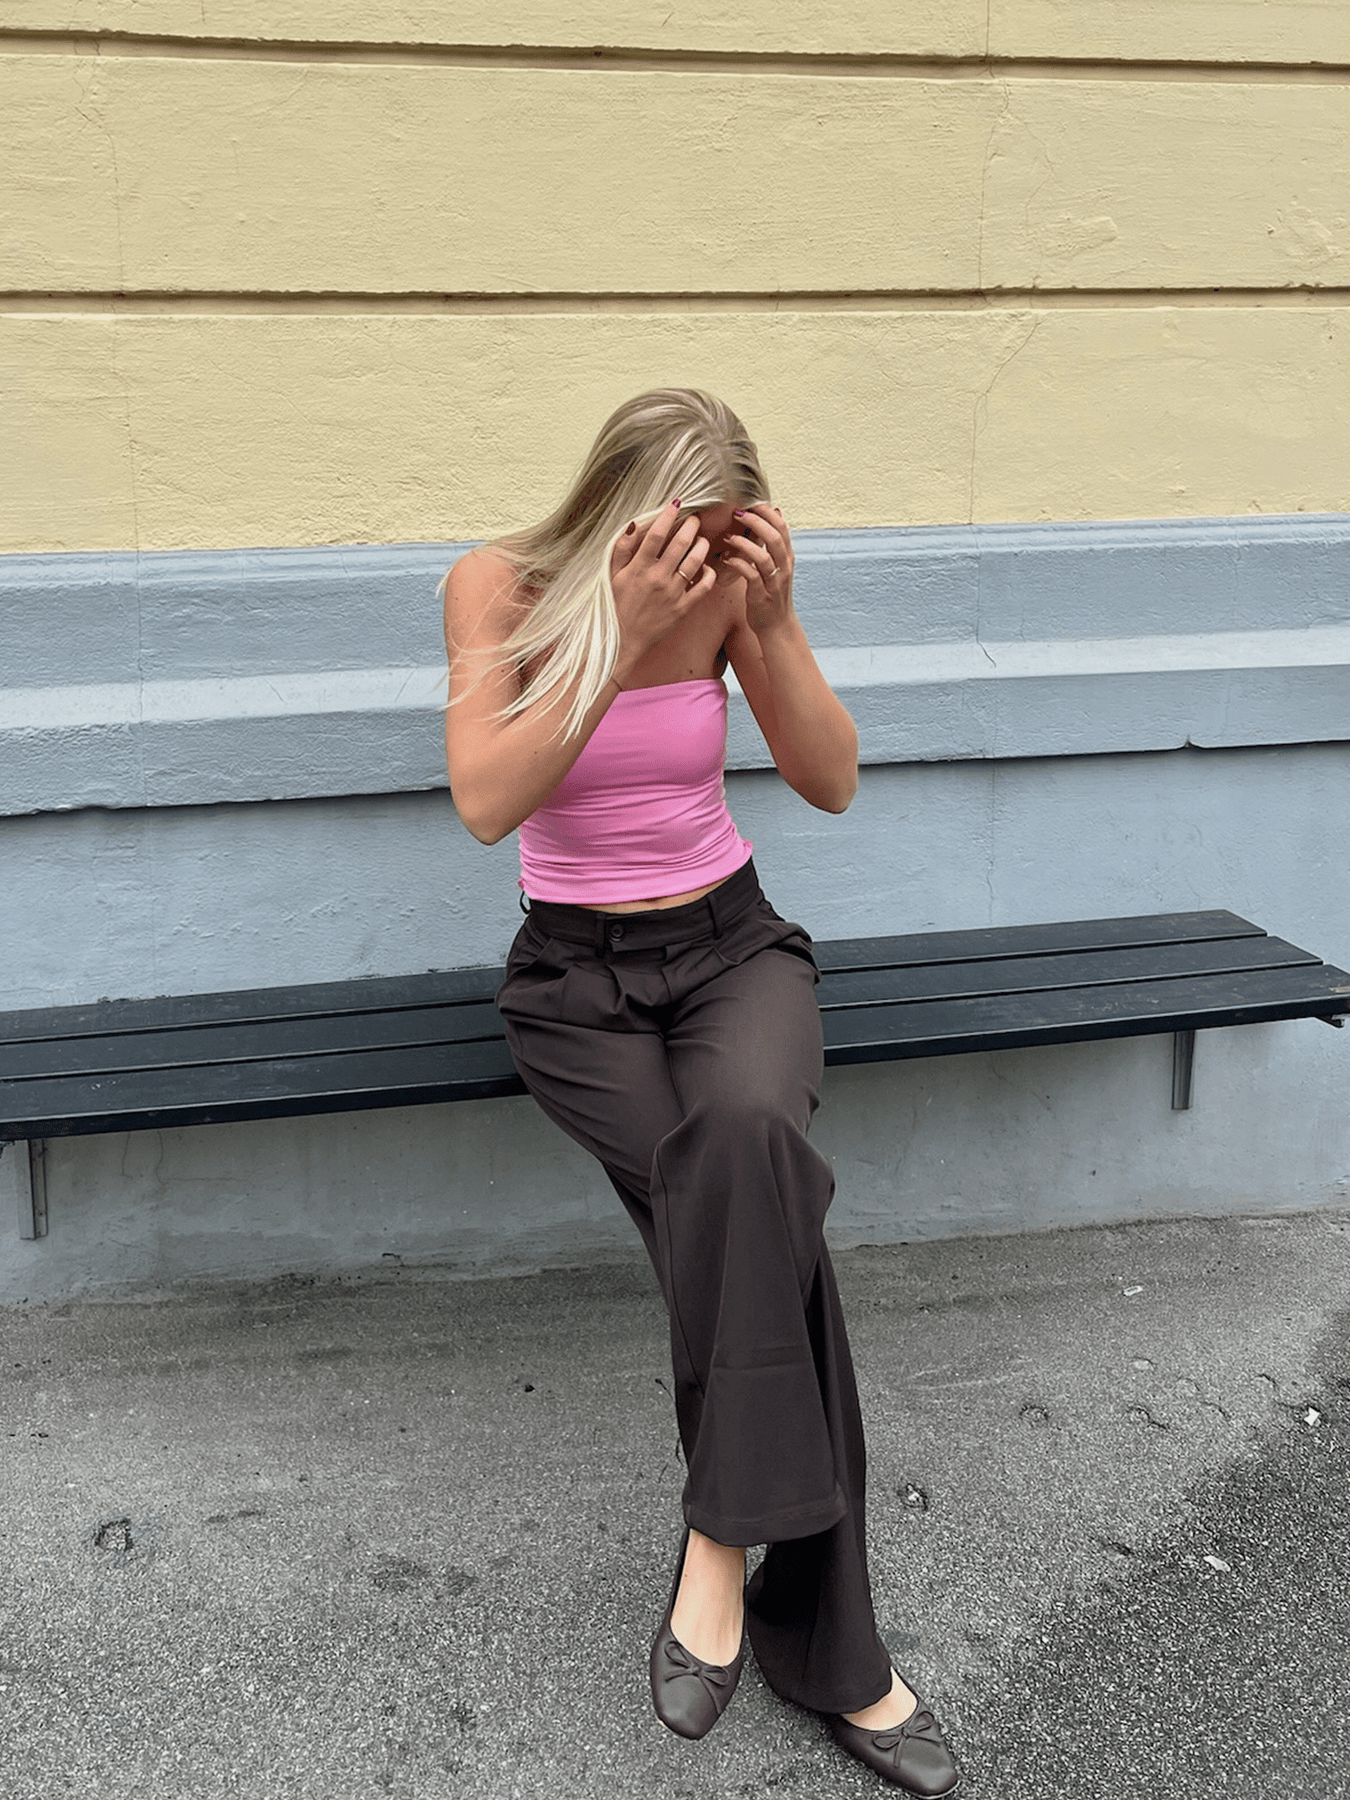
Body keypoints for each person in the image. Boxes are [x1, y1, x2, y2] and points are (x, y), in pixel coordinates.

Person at [441, 389, 959, 1796]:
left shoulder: (733, 591)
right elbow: (486, 800)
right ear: (624, 509)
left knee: (744, 1147)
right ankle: (840, 1661)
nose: (711, 558)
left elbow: (830, 781)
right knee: (751, 1220)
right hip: (573, 980)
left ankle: (720, 1543)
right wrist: (613, 638)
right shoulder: (498, 588)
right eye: (690, 533)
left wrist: (771, 623)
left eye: (735, 535)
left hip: (733, 947)